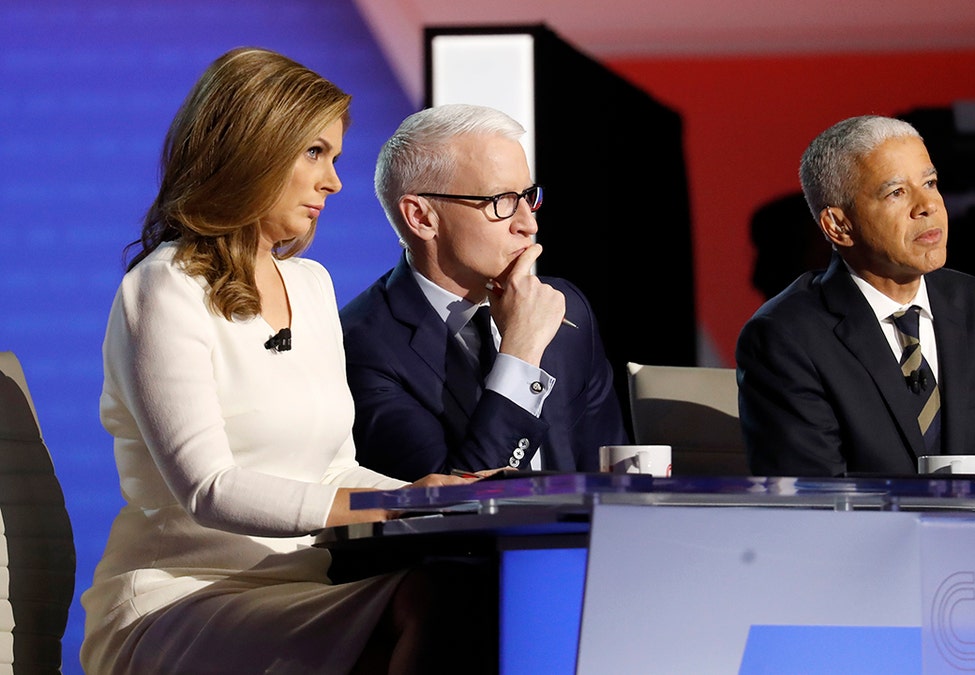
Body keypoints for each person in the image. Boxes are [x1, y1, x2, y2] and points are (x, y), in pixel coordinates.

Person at [80, 48, 475, 674]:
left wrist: (433, 497)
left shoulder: (312, 284)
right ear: (252, 150)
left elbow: (333, 469)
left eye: (336, 157)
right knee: (437, 605)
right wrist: (400, 506)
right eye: (314, 153)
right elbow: (210, 490)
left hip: (298, 593)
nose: (334, 182)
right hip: (179, 603)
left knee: (468, 596)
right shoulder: (163, 288)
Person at [736, 114, 975, 479]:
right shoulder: (787, 338)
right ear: (838, 226)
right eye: (896, 192)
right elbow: (815, 503)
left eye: (930, 183)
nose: (927, 206)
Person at [340, 104, 627, 481]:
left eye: (527, 196)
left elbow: (607, 474)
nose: (529, 223)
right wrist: (521, 354)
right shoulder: (362, 345)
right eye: (501, 201)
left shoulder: (564, 307)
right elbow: (452, 503)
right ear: (421, 217)